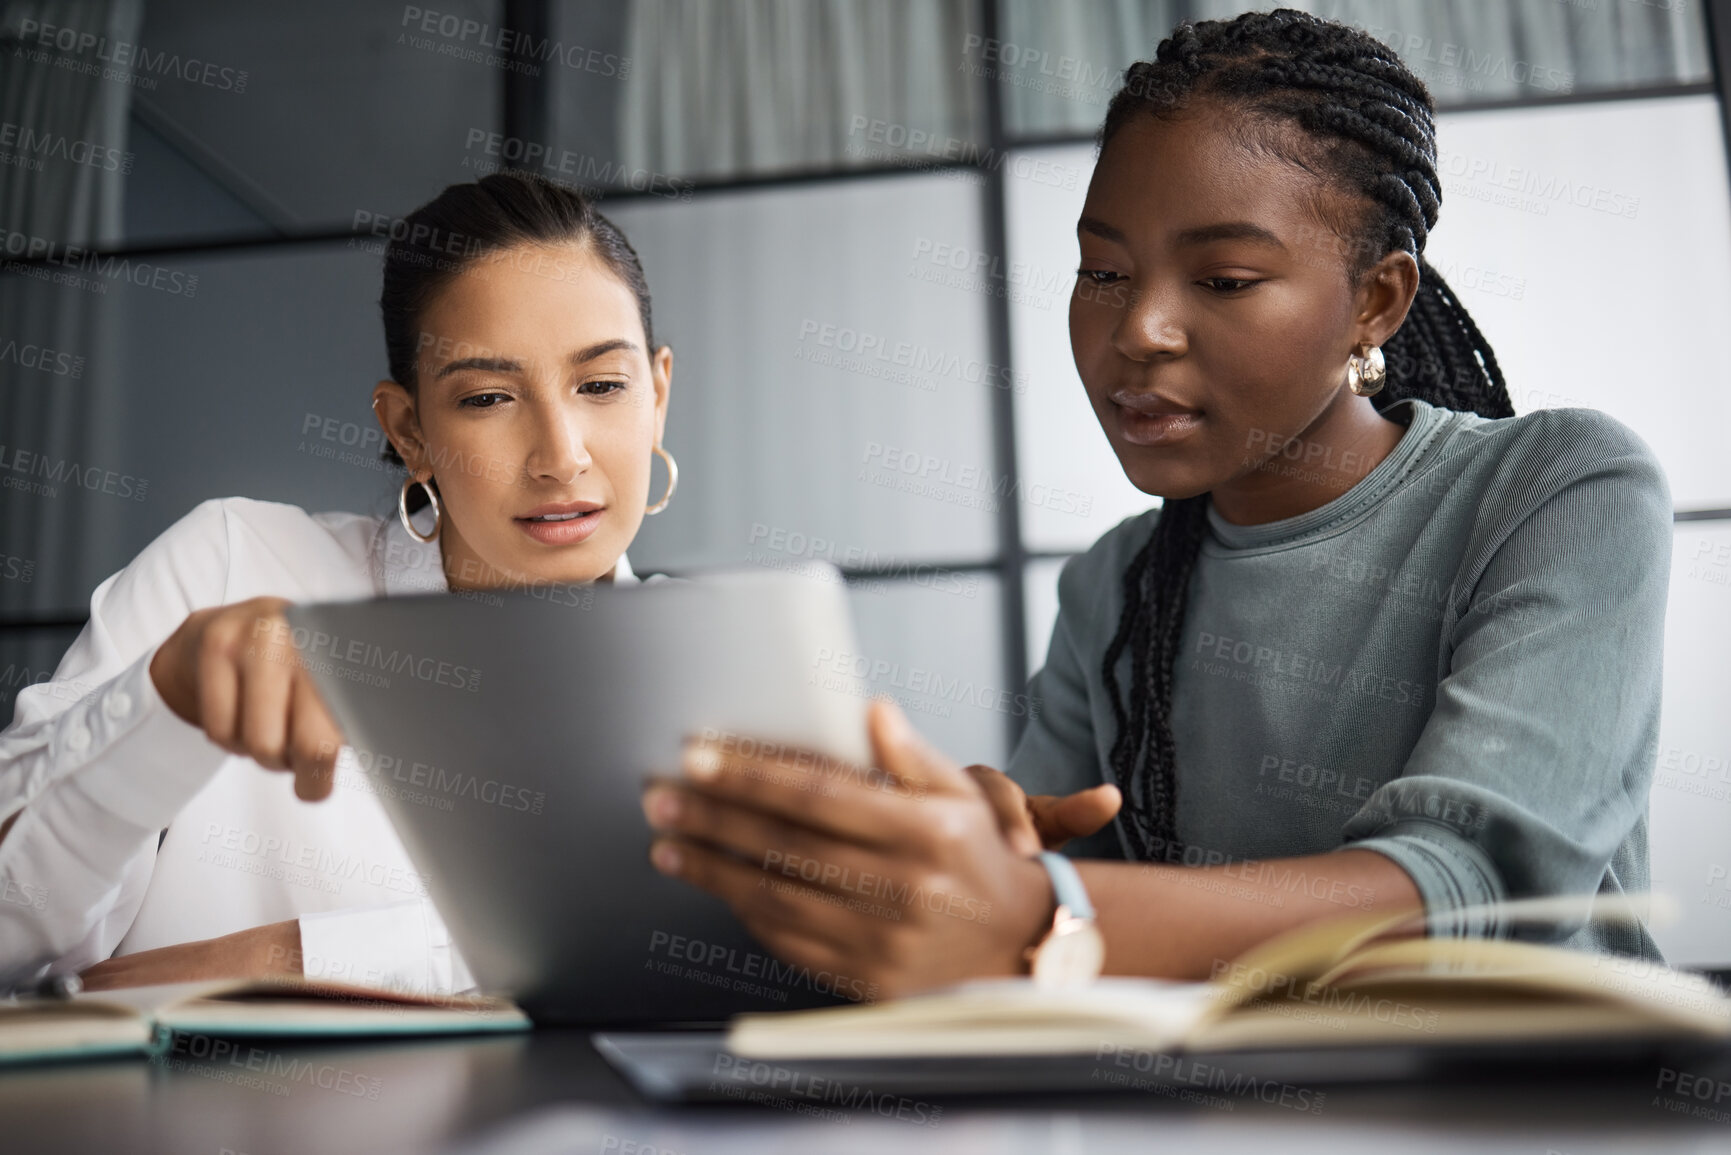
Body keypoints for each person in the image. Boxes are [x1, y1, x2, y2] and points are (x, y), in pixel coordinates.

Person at [642, 9, 1671, 998]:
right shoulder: (1119, 582)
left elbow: (1474, 893)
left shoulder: (1558, 490)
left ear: (1376, 302)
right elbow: (1050, 864)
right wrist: (986, 839)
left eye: (1222, 280)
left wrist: (1040, 914)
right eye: (1103, 271)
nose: (1140, 328)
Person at [0, 172, 676, 994]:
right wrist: (159, 702)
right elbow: (11, 938)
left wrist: (285, 959)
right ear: (410, 430)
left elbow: (698, 949)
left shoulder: (722, 684)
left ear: (657, 395)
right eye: (489, 396)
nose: (560, 454)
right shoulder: (233, 564)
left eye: (601, 385)